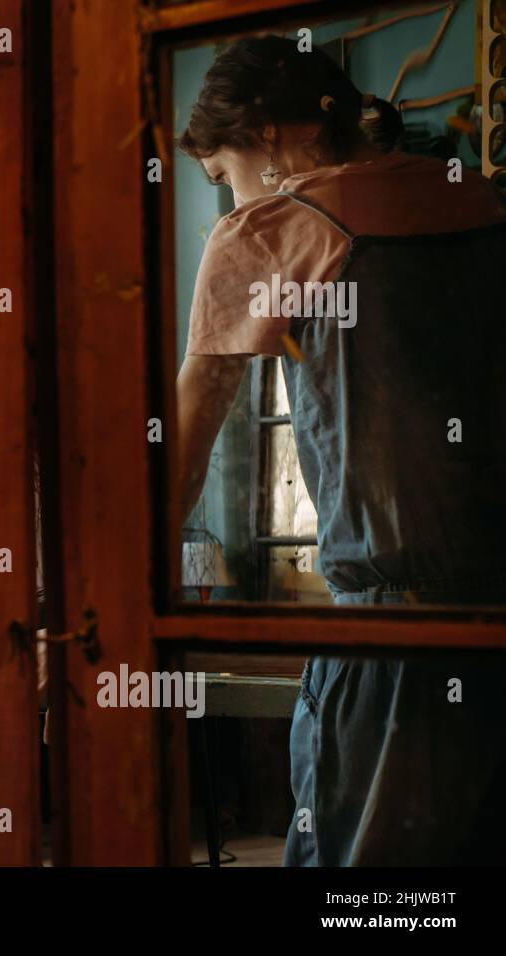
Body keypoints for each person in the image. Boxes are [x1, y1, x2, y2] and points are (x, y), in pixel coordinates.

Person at [175, 35, 506, 865]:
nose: (230, 202)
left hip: (392, 639)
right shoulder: (482, 201)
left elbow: (188, 436)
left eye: (225, 177)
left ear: (270, 133)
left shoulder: (273, 231)